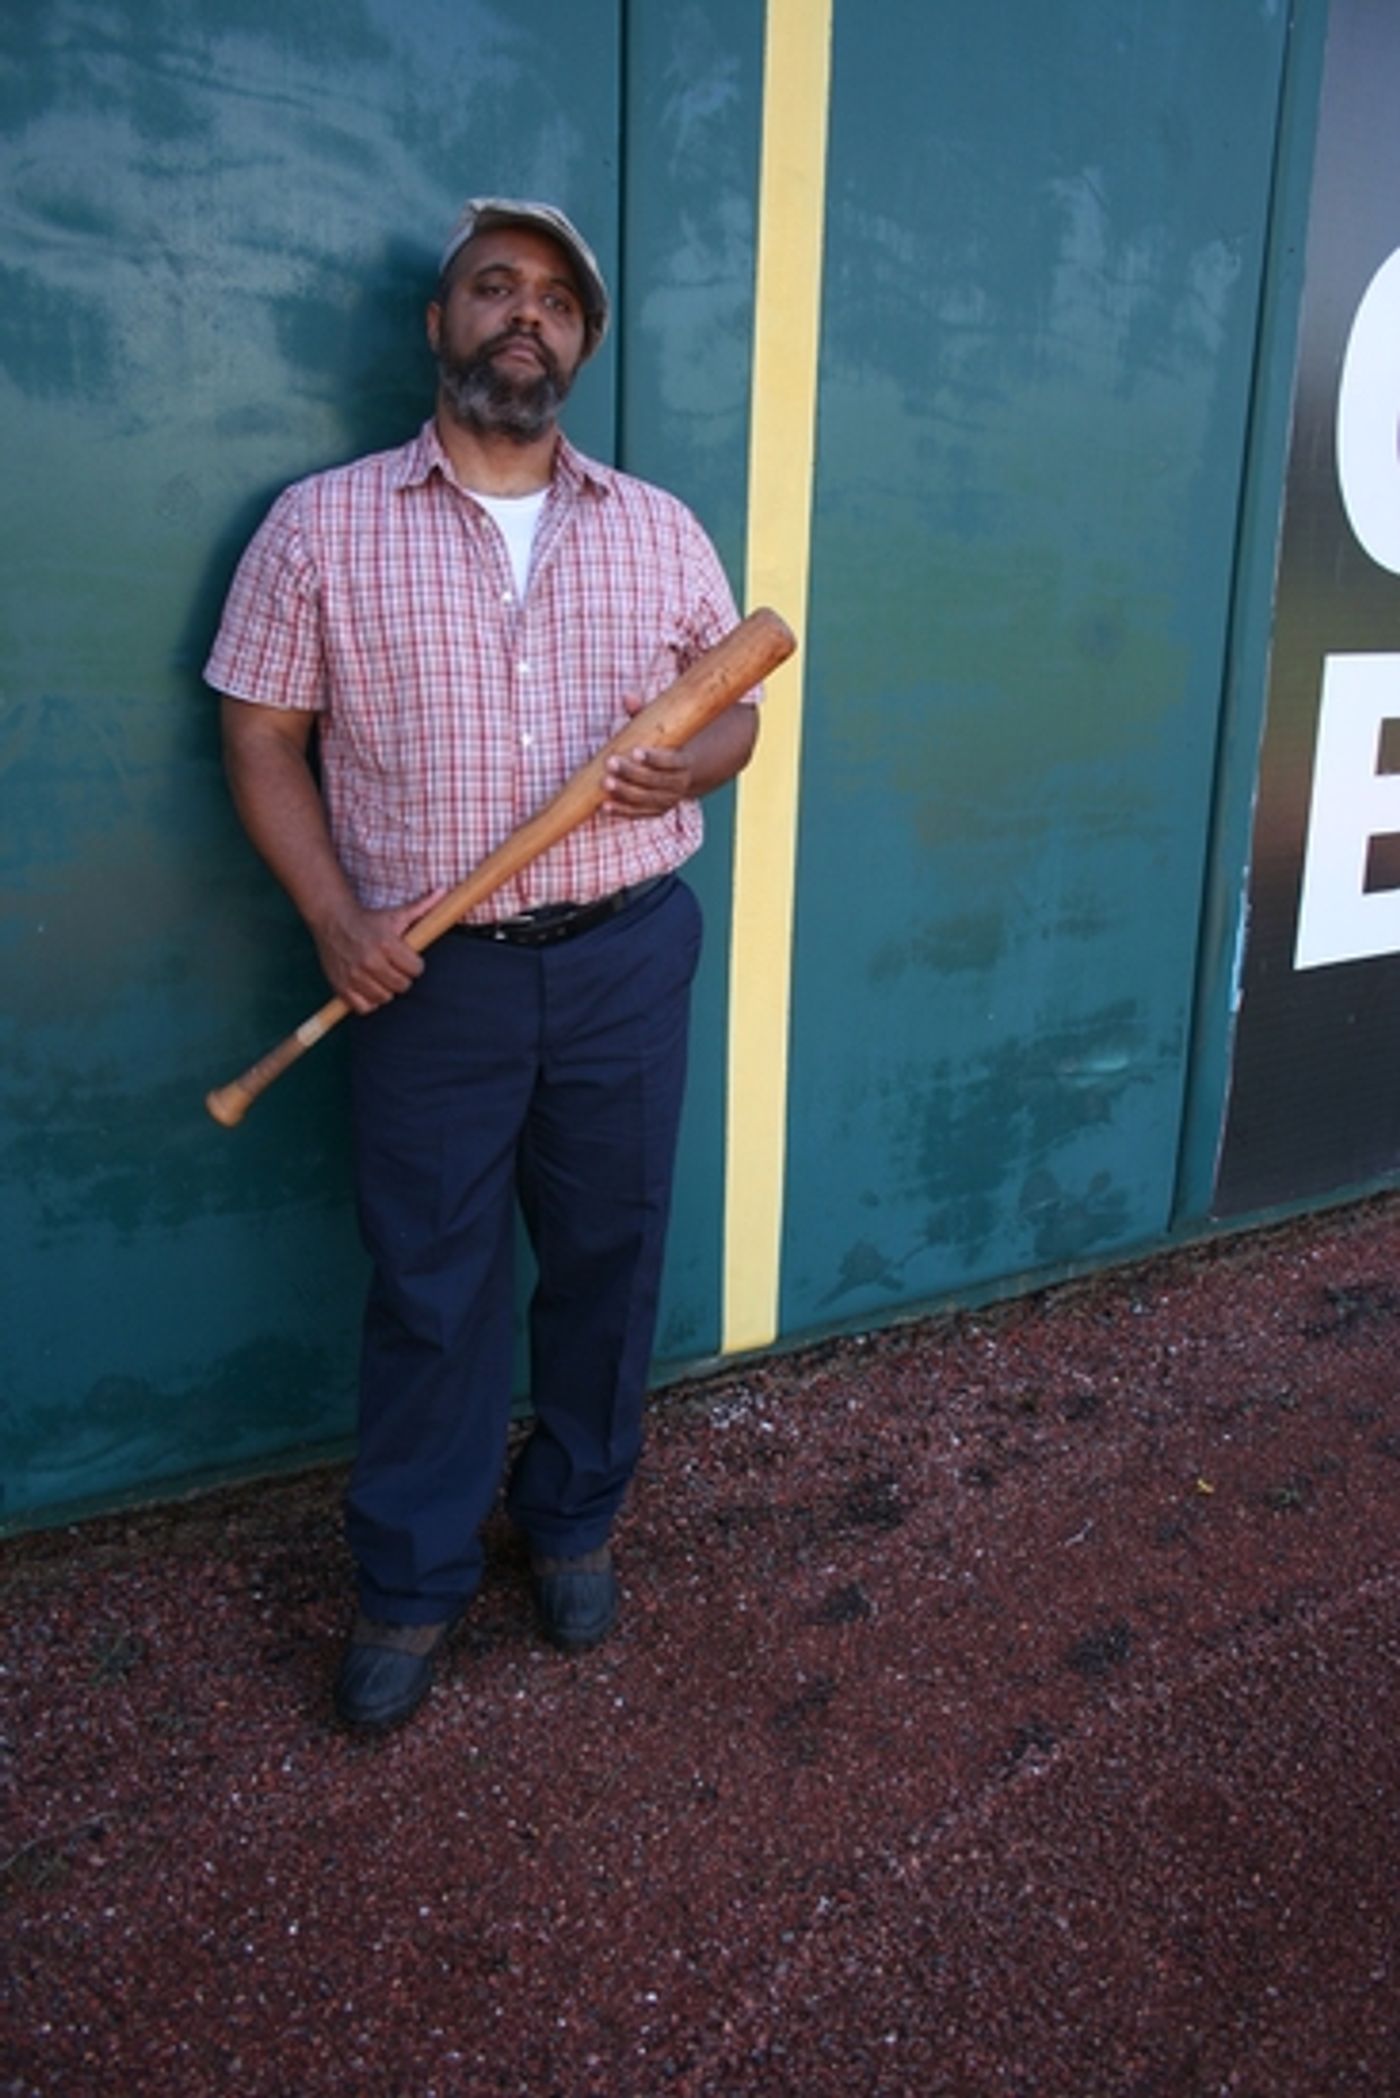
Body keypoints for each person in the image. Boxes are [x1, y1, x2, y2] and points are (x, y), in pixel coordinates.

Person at [205, 197, 759, 1732]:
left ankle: (572, 1518)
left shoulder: (655, 527)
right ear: (437, 326)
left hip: (625, 956)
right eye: (494, 288)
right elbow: (258, 735)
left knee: (606, 1255)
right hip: (424, 975)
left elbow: (740, 706)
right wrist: (333, 914)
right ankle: (411, 1575)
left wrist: (691, 767)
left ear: (582, 344)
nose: (529, 315)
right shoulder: (320, 524)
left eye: (558, 301)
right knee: (434, 1285)